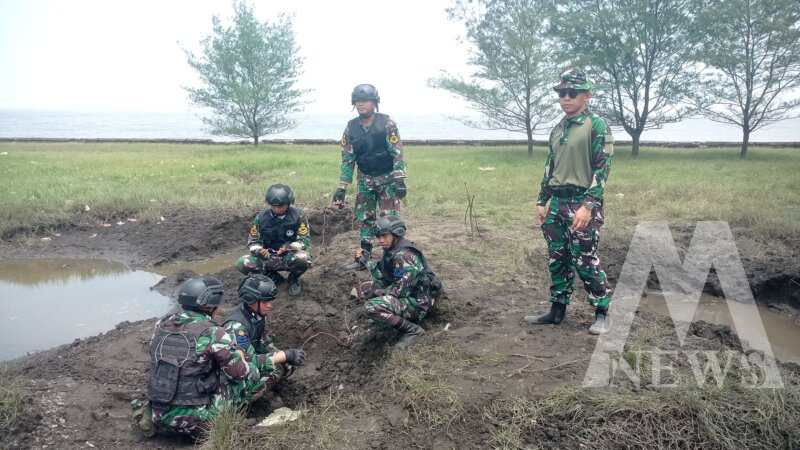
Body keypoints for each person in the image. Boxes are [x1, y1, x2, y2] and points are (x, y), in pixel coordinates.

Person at [525, 68, 614, 335]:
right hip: (557, 202)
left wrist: (589, 205)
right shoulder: (558, 129)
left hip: (582, 201)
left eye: (572, 93)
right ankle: (557, 310)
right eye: (562, 93)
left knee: (585, 260)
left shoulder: (596, 126)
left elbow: (602, 168)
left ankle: (602, 312)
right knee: (557, 258)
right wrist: (542, 200)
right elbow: (550, 166)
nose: (565, 98)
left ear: (586, 96)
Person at [139, 276, 263, 437]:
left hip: (159, 411)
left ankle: (152, 413)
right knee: (248, 375)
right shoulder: (213, 332)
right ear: (212, 305)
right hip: (195, 422)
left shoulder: (161, 324)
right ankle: (229, 421)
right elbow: (240, 373)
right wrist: (241, 356)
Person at [332, 84, 407, 270]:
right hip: (365, 180)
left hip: (387, 179)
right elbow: (348, 158)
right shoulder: (351, 128)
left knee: (389, 219)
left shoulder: (387, 123)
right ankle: (363, 258)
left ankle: (393, 258)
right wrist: (342, 187)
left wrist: (399, 179)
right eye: (357, 101)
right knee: (365, 218)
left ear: (374, 103)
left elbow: (397, 152)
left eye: (365, 101)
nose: (361, 104)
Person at [356, 216, 441, 349]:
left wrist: (377, 292)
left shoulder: (404, 255)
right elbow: (385, 276)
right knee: (365, 288)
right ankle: (388, 319)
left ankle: (413, 330)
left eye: (384, 236)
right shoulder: (392, 250)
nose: (381, 240)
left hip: (419, 303)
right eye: (378, 237)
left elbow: (400, 291)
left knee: (371, 306)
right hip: (409, 295)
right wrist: (366, 261)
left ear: (396, 234)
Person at [222, 275, 306, 391]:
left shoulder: (257, 315)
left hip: (250, 357)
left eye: (270, 300)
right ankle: (246, 398)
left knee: (285, 365)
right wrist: (284, 355)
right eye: (265, 301)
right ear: (251, 300)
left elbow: (262, 342)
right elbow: (244, 362)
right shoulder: (236, 327)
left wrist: (283, 357)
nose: (270, 305)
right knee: (274, 370)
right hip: (237, 371)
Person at [235, 183, 311, 296]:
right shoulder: (261, 218)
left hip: (288, 256)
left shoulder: (298, 216)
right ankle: (274, 278)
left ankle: (293, 279)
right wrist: (259, 250)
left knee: (304, 258)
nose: (277, 209)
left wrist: (289, 247)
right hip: (267, 257)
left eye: (280, 206)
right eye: (273, 206)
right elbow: (253, 240)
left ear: (289, 203)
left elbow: (304, 239)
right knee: (242, 263)